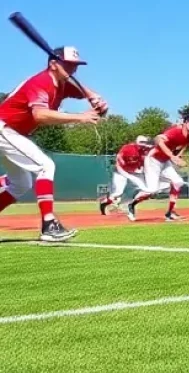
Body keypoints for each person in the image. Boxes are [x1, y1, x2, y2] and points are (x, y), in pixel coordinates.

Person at [0, 46, 108, 242]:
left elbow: (82, 91)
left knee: (21, 184)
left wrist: (95, 98)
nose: (73, 70)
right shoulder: (40, 82)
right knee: (45, 165)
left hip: (13, 132)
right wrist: (80, 118)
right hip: (5, 129)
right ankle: (49, 225)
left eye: (75, 66)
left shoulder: (62, 83)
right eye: (68, 65)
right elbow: (40, 115)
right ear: (53, 64)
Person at [126, 112, 189, 221]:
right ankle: (131, 205)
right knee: (152, 190)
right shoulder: (175, 131)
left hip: (165, 161)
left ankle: (169, 213)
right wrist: (172, 156)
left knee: (178, 182)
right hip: (153, 159)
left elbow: (187, 143)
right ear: (185, 122)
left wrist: (179, 155)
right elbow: (158, 141)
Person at [99, 136, 155, 215]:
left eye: (145, 143)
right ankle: (104, 202)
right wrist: (122, 162)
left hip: (133, 172)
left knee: (146, 190)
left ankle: (130, 205)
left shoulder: (145, 150)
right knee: (118, 192)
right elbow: (119, 156)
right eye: (141, 142)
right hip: (120, 172)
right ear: (137, 142)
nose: (143, 145)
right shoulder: (128, 148)